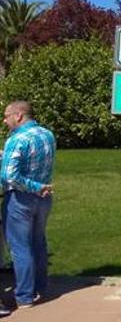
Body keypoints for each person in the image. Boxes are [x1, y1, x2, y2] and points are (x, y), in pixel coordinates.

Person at [1, 101, 55, 311]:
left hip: (20, 199)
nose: (5, 121)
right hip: (44, 199)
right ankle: (39, 287)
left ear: (19, 116)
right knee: (38, 242)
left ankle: (24, 296)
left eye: (7, 116)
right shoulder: (47, 134)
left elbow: (9, 176)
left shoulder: (16, 140)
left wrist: (34, 186)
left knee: (20, 247)